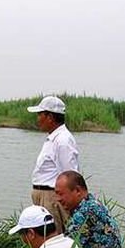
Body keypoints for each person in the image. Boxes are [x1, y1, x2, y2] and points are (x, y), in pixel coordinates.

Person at [27, 96, 79, 233]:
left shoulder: (62, 140)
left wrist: (64, 202)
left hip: (52, 199)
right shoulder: (54, 138)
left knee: (53, 238)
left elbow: (69, 176)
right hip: (46, 198)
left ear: (49, 117)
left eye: (40, 115)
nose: (38, 119)